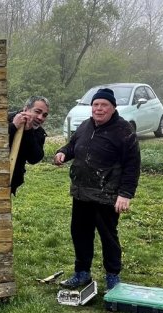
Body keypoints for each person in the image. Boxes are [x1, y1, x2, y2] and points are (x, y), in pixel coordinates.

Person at [53, 88, 140, 291]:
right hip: (81, 192)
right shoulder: (85, 126)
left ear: (113, 108)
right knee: (80, 233)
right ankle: (82, 273)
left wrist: (125, 194)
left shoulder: (123, 131)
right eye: (96, 105)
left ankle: (112, 276)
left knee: (108, 236)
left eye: (104, 105)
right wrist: (62, 153)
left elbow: (132, 166)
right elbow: (72, 146)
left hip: (107, 195)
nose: (99, 109)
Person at [8, 96, 50, 195]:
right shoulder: (6, 119)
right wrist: (13, 127)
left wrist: (28, 132)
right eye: (37, 111)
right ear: (26, 109)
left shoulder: (38, 132)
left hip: (10, 183)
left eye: (44, 115)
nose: (40, 118)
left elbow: (34, 158)